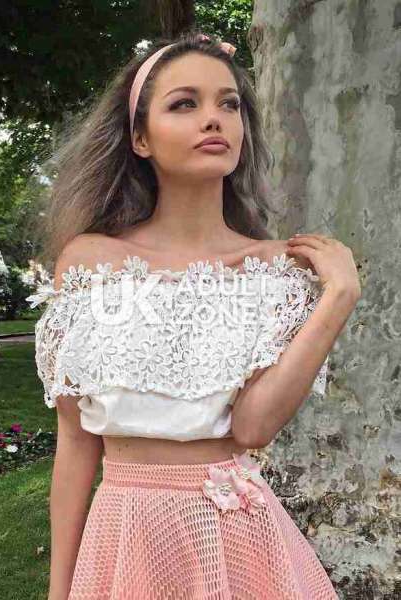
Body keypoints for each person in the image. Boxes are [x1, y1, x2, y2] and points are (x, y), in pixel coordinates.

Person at [26, 29, 360, 600]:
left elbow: (253, 428)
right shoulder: (89, 264)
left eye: (228, 104)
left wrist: (339, 297)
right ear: (140, 138)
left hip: (239, 543)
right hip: (126, 538)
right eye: (185, 104)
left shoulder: (277, 272)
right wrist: (60, 590)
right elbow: (76, 441)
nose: (213, 119)